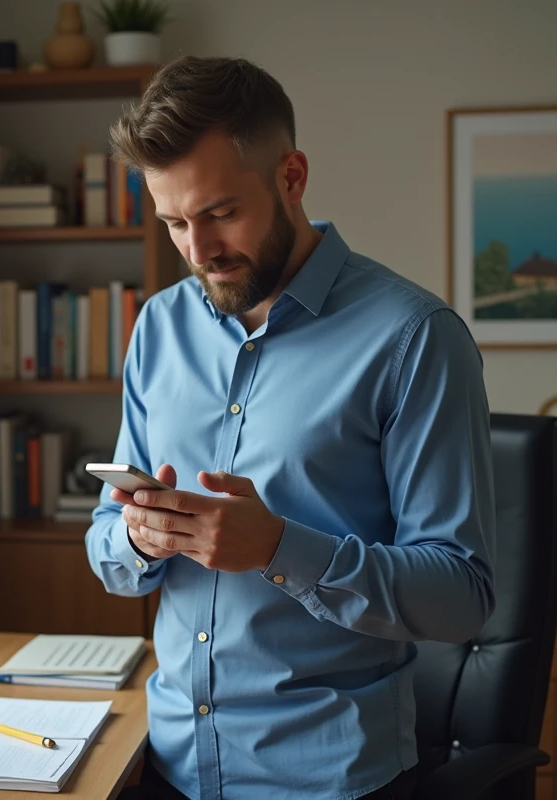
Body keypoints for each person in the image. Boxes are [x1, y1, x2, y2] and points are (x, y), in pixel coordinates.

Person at [85, 55, 496, 800]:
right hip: (169, 764)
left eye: (219, 213)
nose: (198, 251)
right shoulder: (158, 328)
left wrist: (278, 548)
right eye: (175, 222)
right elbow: (105, 547)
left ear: (292, 177)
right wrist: (138, 537)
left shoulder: (414, 338)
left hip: (332, 779)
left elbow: (462, 593)